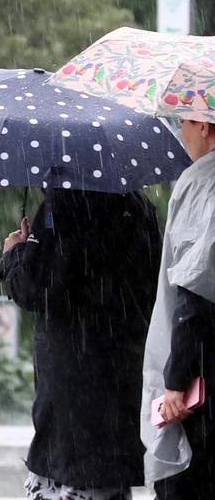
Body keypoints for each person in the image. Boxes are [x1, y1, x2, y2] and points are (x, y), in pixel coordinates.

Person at [0, 184, 161, 500]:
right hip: (122, 371)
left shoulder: (64, 205)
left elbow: (35, 289)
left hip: (72, 380)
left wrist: (14, 253)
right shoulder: (137, 207)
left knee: (71, 478)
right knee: (105, 481)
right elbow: (152, 287)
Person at [142, 118, 215, 499]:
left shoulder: (202, 184)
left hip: (205, 373)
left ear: (204, 125)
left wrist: (174, 383)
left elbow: (194, 295)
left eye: (186, 121)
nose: (182, 131)